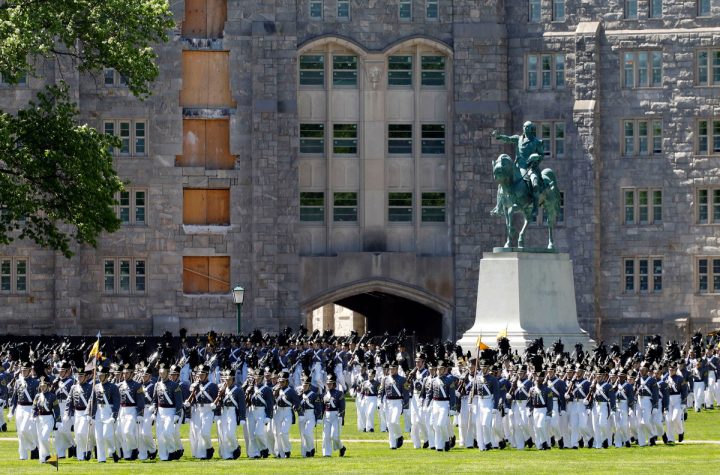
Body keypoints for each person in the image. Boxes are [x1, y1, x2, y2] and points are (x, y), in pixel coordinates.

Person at [491, 121, 545, 219]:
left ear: (532, 129)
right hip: (517, 167)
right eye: (524, 126)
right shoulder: (518, 139)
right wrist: (498, 136)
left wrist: (535, 157)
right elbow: (508, 139)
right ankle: (498, 206)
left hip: (530, 168)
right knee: (502, 182)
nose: (525, 128)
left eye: (527, 127)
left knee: (535, 183)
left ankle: (535, 207)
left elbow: (541, 156)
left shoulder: (537, 142)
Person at [10, 361, 39, 460]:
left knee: (24, 429)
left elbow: (37, 398)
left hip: (29, 408)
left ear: (30, 370)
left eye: (25, 370)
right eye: (22, 370)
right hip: (19, 407)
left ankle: (34, 447)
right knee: (20, 433)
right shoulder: (18, 382)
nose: (23, 372)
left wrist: (35, 410)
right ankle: (23, 455)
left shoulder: (35, 382)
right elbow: (15, 397)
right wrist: (11, 410)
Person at [187, 364, 217, 459]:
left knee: (205, 432)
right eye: (199, 374)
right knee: (197, 432)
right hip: (198, 409)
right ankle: (201, 453)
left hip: (208, 410)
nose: (200, 376)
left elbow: (218, 399)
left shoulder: (212, 386)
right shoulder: (195, 385)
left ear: (207, 375)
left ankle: (209, 448)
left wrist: (217, 412)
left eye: (203, 374)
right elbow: (193, 399)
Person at [154, 364, 183, 461]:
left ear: (167, 373)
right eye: (160, 372)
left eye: (164, 372)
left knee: (167, 432)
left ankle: (171, 450)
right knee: (160, 435)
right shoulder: (157, 385)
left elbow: (179, 402)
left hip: (171, 411)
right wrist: (154, 413)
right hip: (160, 411)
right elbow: (155, 400)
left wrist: (177, 414)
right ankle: (163, 456)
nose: (161, 374)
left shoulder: (175, 385)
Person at [214, 369, 245, 460]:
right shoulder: (221, 388)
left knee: (230, 434)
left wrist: (242, 417)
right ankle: (228, 454)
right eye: (226, 379)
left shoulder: (238, 390)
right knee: (224, 434)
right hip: (224, 412)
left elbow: (242, 405)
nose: (227, 381)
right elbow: (219, 402)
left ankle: (236, 447)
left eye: (229, 379)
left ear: (233, 379)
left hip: (232, 412)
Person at [93, 365, 121, 463]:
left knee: (106, 435)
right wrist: (89, 415)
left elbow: (117, 403)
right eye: (99, 375)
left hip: (108, 411)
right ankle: (101, 459)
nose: (99, 377)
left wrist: (114, 415)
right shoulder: (96, 386)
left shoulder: (113, 387)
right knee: (98, 437)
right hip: (98, 412)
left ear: (107, 375)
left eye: (102, 375)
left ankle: (113, 451)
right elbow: (91, 402)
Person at [117, 364, 144, 460]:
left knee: (127, 431)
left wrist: (140, 414)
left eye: (127, 373)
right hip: (121, 410)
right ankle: (127, 454)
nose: (124, 375)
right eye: (123, 373)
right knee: (120, 433)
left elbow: (140, 400)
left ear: (131, 373)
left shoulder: (137, 385)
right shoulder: (119, 385)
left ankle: (134, 449)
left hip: (132, 410)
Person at [66, 368, 94, 461]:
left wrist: (90, 413)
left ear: (86, 377)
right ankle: (80, 455)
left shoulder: (90, 387)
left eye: (81, 376)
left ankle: (88, 450)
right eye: (78, 376)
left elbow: (92, 402)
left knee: (82, 432)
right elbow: (69, 400)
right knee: (77, 435)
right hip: (76, 413)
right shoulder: (73, 387)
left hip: (86, 413)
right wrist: (67, 412)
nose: (79, 378)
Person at [273, 370, 300, 458]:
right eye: (279, 381)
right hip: (278, 412)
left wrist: (298, 410)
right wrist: (275, 392)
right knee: (277, 433)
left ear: (287, 381)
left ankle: (287, 450)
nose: (281, 383)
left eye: (283, 381)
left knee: (284, 432)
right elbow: (272, 400)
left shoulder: (291, 391)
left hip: (288, 411)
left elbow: (297, 402)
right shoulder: (275, 389)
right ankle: (279, 452)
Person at [32, 377, 60, 463]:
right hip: (39, 419)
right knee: (40, 439)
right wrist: (33, 415)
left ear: (48, 386)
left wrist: (58, 421)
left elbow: (56, 409)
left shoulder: (53, 396)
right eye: (41, 386)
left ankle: (47, 455)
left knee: (44, 438)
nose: (42, 388)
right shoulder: (37, 396)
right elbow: (34, 407)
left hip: (49, 418)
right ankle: (43, 458)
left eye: (44, 386)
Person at [54, 361, 76, 459]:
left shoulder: (72, 381)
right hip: (58, 406)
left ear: (68, 371)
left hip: (67, 407)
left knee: (64, 429)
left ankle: (73, 444)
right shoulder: (56, 381)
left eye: (63, 371)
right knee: (57, 433)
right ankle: (61, 453)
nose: (60, 373)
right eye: (60, 371)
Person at [321, 374, 346, 457]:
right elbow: (322, 406)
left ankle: (341, 447)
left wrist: (341, 417)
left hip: (335, 415)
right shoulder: (324, 394)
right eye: (327, 383)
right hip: (326, 415)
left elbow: (342, 407)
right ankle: (327, 453)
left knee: (334, 436)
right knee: (326, 436)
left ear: (334, 384)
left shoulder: (339, 393)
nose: (328, 385)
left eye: (330, 383)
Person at [297, 375, 321, 457]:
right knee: (303, 434)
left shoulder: (313, 395)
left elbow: (318, 407)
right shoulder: (300, 394)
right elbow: (296, 404)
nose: (304, 387)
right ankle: (306, 451)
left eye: (306, 385)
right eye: (303, 385)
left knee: (307, 432)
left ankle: (310, 448)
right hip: (302, 414)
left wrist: (319, 418)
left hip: (310, 414)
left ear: (309, 385)